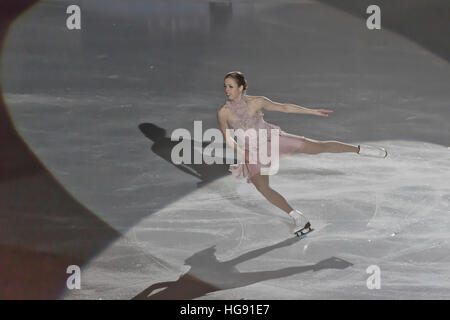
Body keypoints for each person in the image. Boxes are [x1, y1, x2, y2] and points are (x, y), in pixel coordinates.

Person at [216, 71, 387, 235]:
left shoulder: (257, 102)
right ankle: (298, 217)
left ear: (241, 87)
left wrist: (312, 111)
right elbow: (227, 137)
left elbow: (284, 108)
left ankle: (360, 150)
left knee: (318, 147)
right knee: (262, 187)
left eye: (230, 86)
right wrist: (242, 151)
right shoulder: (223, 112)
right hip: (252, 151)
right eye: (225, 86)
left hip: (273, 140)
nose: (226, 90)